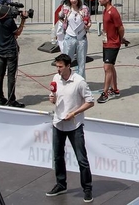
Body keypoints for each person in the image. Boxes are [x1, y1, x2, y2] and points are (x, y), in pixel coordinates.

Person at [46, 53, 94, 202]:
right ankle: (61, 184)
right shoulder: (56, 79)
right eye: (57, 66)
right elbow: (56, 99)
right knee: (58, 156)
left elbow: (90, 102)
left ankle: (87, 189)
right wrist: (52, 99)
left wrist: (74, 113)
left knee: (81, 159)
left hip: (74, 125)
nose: (58, 69)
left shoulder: (79, 82)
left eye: (60, 67)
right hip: (58, 122)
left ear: (68, 66)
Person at [0, 0, 27, 108]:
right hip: (11, 52)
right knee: (11, 77)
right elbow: (17, 33)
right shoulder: (9, 22)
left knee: (0, 75)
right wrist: (23, 20)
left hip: (1, 51)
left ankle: (0, 98)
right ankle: (11, 100)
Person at [97, 0, 128, 104]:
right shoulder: (105, 11)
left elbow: (120, 28)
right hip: (106, 42)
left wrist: (120, 39)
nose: (99, 0)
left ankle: (105, 93)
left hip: (113, 44)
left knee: (107, 68)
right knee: (111, 67)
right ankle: (114, 89)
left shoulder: (113, 12)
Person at [58, 0, 92, 79]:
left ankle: (80, 82)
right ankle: (65, 79)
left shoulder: (84, 8)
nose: (73, 0)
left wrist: (88, 25)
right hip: (69, 37)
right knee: (66, 61)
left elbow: (89, 21)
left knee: (81, 62)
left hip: (81, 37)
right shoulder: (66, 8)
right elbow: (60, 16)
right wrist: (64, 22)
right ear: (69, 0)